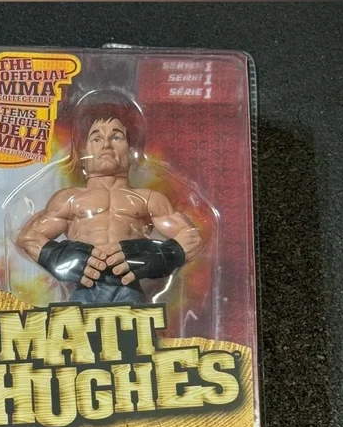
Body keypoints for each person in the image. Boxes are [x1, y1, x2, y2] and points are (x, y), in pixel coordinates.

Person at [16, 94, 203, 304]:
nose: (106, 145)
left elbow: (192, 238)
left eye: (116, 137)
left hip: (129, 288)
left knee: (137, 326)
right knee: (77, 325)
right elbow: (28, 238)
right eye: (96, 139)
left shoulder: (148, 199)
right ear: (83, 152)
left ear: (131, 151)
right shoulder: (69, 199)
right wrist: (61, 256)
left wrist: (157, 255)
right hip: (86, 288)